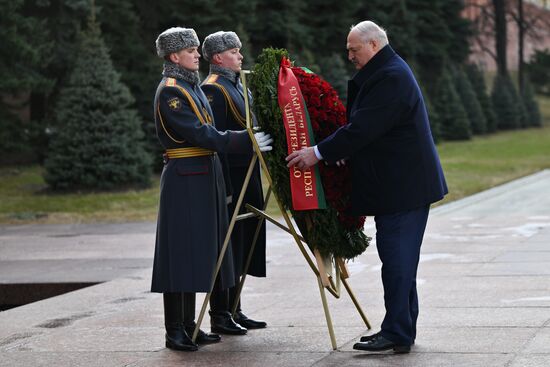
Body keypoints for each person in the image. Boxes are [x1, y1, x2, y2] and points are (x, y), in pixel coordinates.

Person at [286, 21, 448, 353]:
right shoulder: (388, 70)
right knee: (400, 260)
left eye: (354, 49)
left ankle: (397, 333)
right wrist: (343, 154)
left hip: (404, 187)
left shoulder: (390, 76)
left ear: (373, 44)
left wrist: (317, 153)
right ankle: (401, 329)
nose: (349, 56)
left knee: (398, 260)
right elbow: (368, 130)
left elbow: (363, 128)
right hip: (401, 184)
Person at [150, 27, 272, 352]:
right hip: (185, 176)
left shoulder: (192, 86)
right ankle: (174, 329)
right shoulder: (171, 91)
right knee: (180, 254)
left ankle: (190, 325)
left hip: (204, 174)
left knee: (198, 252)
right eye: (190, 50)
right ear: (174, 56)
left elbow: (210, 131)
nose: (196, 54)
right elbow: (202, 134)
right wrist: (244, 140)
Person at [201, 31, 268, 335]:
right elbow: (218, 139)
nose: (241, 56)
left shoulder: (235, 83)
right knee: (228, 243)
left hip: (248, 171)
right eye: (234, 51)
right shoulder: (214, 89)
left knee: (244, 242)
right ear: (218, 57)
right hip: (232, 173)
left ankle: (235, 307)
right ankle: (220, 313)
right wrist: (225, 187)